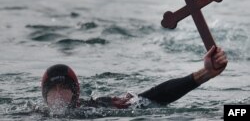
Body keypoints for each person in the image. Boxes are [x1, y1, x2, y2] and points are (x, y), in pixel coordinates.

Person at [41, 45, 227, 109]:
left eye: (64, 89)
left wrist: (205, 74)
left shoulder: (96, 108)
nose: (58, 95)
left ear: (75, 93)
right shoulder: (34, 115)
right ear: (45, 96)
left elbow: (153, 97)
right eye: (53, 90)